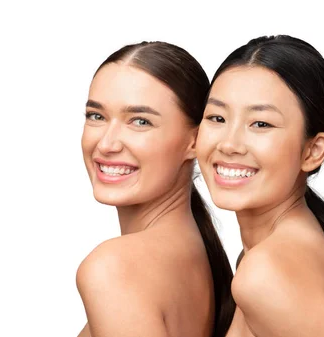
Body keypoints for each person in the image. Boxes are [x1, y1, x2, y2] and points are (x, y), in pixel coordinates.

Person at [196, 35, 324, 336]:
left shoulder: (268, 271)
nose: (229, 144)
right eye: (217, 117)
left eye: (261, 123)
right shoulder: (274, 253)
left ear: (313, 151)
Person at [77, 41, 234, 337]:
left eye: (140, 121)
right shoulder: (198, 255)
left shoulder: (115, 268)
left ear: (195, 140)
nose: (107, 144)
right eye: (96, 116)